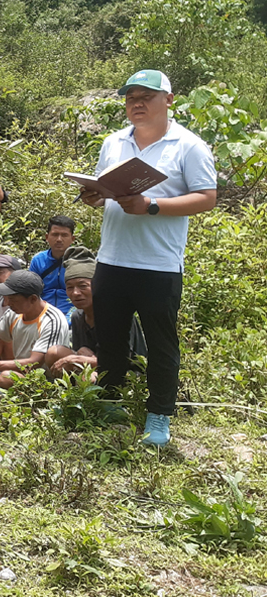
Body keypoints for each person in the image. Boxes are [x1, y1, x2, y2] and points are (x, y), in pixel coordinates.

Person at [80, 70, 217, 447]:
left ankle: (159, 417)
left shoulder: (188, 146)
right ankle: (110, 404)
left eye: (146, 96)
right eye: (130, 98)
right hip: (111, 259)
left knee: (160, 344)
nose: (136, 104)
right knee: (110, 339)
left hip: (158, 264)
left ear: (169, 100)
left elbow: (206, 197)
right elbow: (104, 186)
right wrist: (95, 195)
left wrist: (151, 205)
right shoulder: (113, 142)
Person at [44, 247, 147, 379]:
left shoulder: (117, 314)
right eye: (70, 287)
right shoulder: (77, 317)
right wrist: (81, 358)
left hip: (128, 374)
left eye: (83, 286)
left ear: (97, 286)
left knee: (88, 376)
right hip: (96, 365)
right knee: (54, 353)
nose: (75, 293)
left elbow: (121, 362)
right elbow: (82, 352)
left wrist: (77, 360)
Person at [29, 215, 76, 319]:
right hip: (42, 313)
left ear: (72, 239)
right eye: (55, 234)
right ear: (47, 237)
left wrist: (69, 319)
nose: (59, 239)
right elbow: (31, 292)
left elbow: (84, 295)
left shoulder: (79, 260)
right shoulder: (38, 260)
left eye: (64, 235)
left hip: (72, 314)